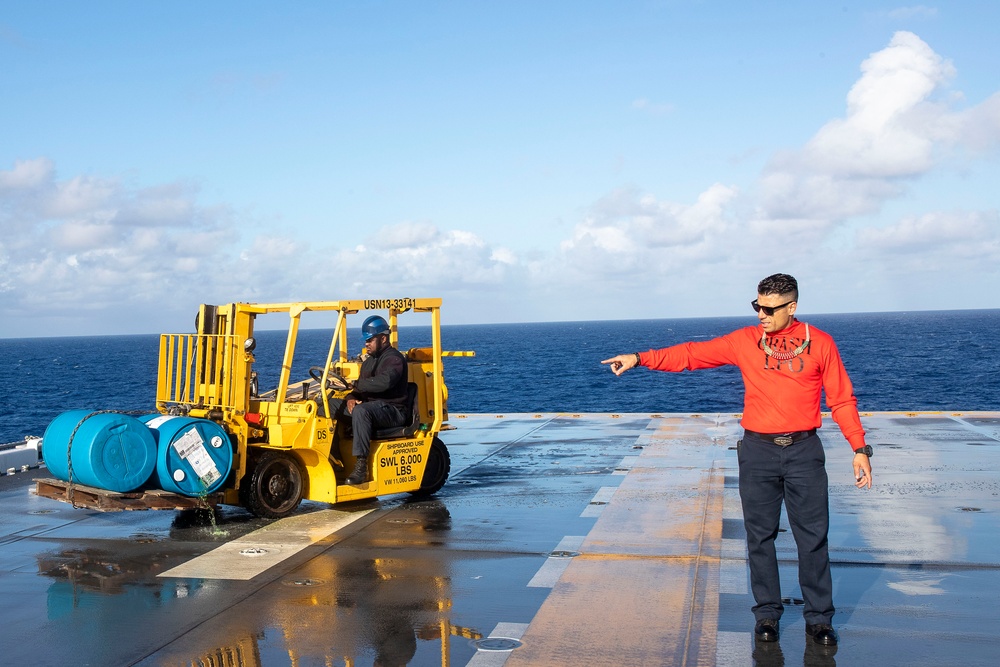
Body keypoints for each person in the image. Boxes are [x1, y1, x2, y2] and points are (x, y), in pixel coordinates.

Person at [601, 273, 873, 648]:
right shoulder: (745, 341)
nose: (761, 313)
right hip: (758, 451)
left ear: (791, 308)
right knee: (759, 538)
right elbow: (693, 354)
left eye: (769, 308)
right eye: (757, 305)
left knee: (812, 539)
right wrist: (640, 358)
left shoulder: (821, 343)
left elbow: (841, 399)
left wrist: (859, 449)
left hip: (804, 451)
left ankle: (820, 620)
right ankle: (766, 615)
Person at [343, 315, 409, 485]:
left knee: (361, 411)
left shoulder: (394, 359)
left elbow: (384, 382)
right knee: (328, 406)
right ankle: (334, 457)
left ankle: (361, 467)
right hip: (374, 408)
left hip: (393, 410)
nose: (366, 344)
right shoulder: (368, 363)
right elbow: (360, 390)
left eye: (370, 340)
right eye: (366, 340)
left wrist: (356, 385)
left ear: (383, 338)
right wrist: (351, 397)